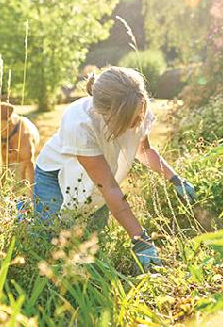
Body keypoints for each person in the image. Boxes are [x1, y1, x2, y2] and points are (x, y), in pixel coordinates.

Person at [32, 67, 196, 271]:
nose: (138, 122)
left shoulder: (137, 105)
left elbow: (144, 151)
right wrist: (140, 239)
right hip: (56, 176)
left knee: (91, 246)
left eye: (140, 116)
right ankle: (23, 214)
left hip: (100, 178)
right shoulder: (80, 124)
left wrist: (175, 179)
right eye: (132, 120)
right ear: (107, 114)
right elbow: (108, 186)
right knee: (48, 240)